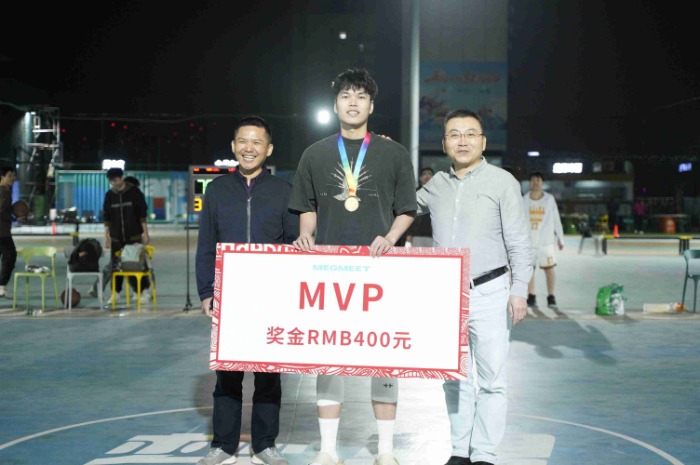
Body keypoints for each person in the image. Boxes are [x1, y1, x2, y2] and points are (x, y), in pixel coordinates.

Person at [289, 68, 416, 465]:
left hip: (381, 271)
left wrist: (390, 238)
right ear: (335, 105)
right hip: (330, 275)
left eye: (361, 96)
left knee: (385, 357)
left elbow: (407, 209)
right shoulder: (314, 154)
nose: (353, 102)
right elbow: (307, 206)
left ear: (371, 105)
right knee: (329, 358)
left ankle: (386, 451)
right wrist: (306, 235)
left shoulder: (395, 154)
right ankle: (328, 450)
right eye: (346, 96)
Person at [415, 109, 532, 465]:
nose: (462, 141)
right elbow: (398, 207)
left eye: (470, 134)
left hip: (491, 291)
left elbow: (519, 240)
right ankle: (458, 451)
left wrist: (520, 288)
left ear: (483, 141)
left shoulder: (503, 182)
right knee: (454, 377)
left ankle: (483, 454)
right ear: (444, 144)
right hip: (448, 294)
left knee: (492, 379)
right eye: (454, 134)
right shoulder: (436, 185)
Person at [195, 115, 298, 465]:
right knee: (228, 374)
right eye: (243, 141)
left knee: (268, 375)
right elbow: (206, 244)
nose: (249, 148)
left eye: (257, 142)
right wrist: (206, 290)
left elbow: (294, 244)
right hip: (230, 295)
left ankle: (264, 445)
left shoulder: (284, 191)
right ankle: (223, 445)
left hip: (272, 297)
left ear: (268, 149)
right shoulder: (217, 191)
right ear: (233, 146)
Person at [90, 168, 150, 303]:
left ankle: (143, 291)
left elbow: (142, 215)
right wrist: (106, 237)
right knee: (115, 267)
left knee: (135, 265)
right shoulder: (109, 195)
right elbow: (107, 218)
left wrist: (145, 234)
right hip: (116, 239)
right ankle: (115, 293)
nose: (114, 183)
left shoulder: (135, 193)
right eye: (111, 181)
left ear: (122, 178)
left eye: (115, 180)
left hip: (133, 237)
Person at [522, 171, 565, 309]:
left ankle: (551, 296)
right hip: (528, 242)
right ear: (529, 182)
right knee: (529, 270)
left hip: (546, 242)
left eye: (538, 180)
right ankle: (531, 295)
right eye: (533, 180)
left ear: (542, 183)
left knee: (549, 270)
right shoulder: (524, 200)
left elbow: (556, 219)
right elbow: (519, 221)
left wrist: (561, 238)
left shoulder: (549, 199)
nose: (535, 182)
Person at [0, 166, 20, 299]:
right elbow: (1, 211)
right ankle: (1, 286)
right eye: (9, 175)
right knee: (10, 256)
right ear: (2, 177)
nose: (12, 178)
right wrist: (13, 217)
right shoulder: (4, 192)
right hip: (2, 232)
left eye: (13, 175)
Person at [403, 167, 434, 247]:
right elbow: (408, 213)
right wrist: (409, 233)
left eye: (430, 174)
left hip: (434, 235)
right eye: (424, 174)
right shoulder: (414, 193)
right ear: (420, 178)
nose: (427, 176)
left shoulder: (438, 194)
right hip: (417, 234)